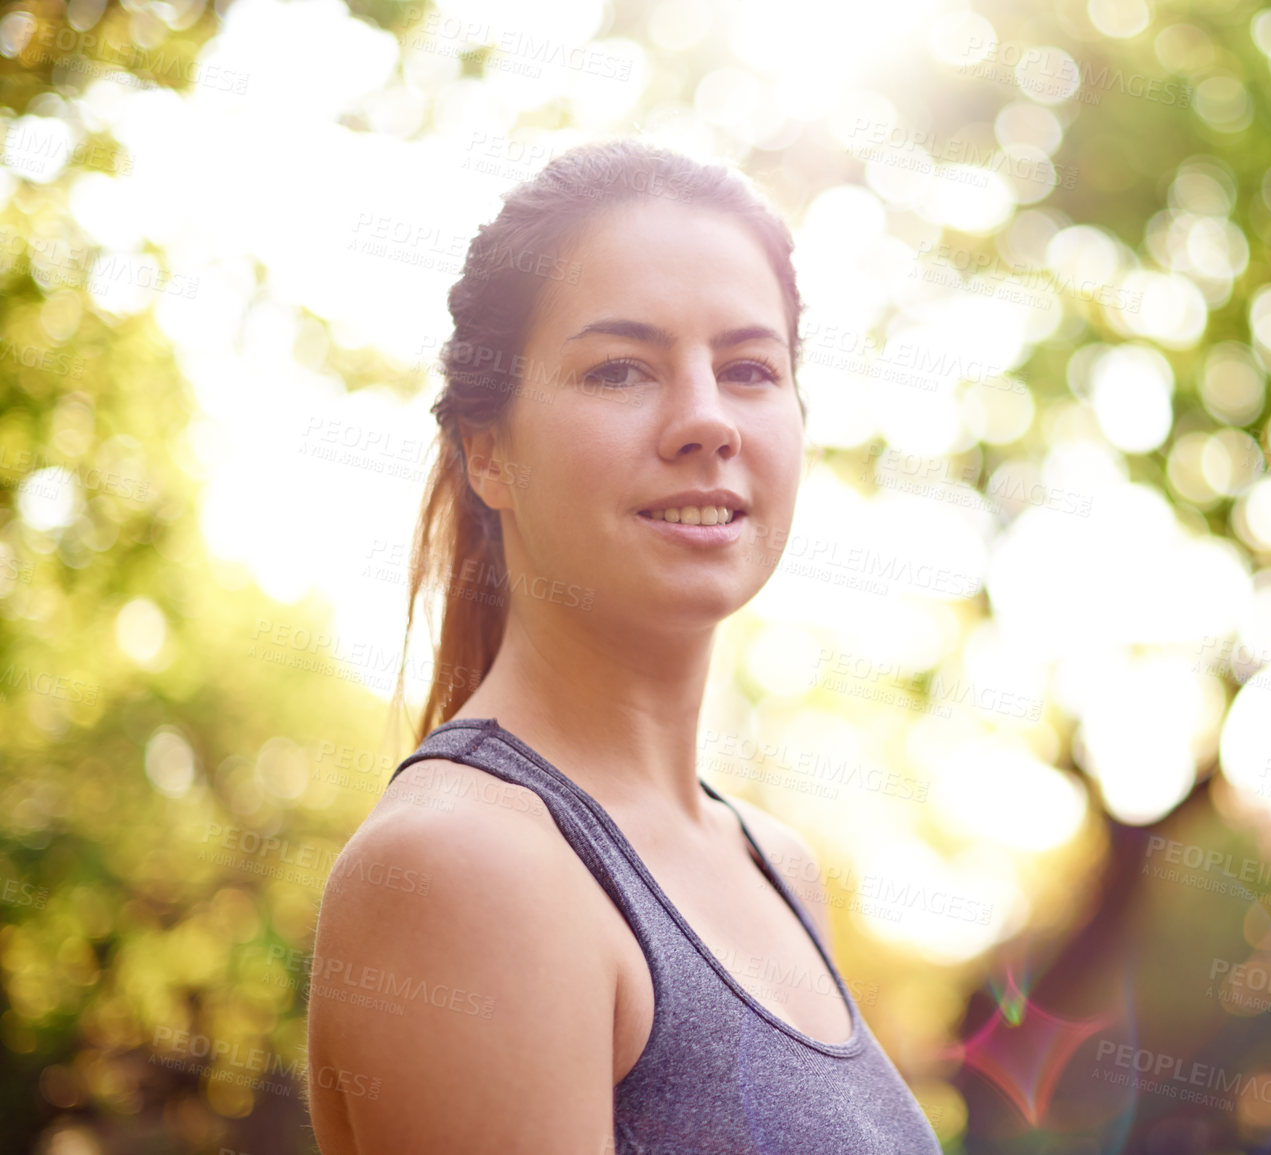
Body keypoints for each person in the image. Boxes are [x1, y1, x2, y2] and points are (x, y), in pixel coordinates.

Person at [306, 139, 944, 1154]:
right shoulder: (464, 870)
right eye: (619, 369)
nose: (706, 422)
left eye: (747, 368)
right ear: (489, 452)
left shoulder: (776, 865)